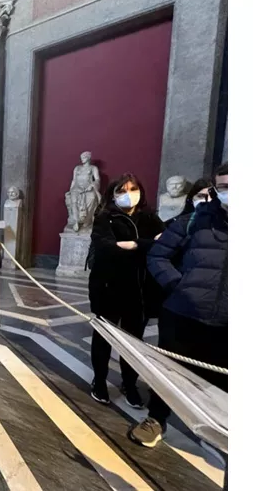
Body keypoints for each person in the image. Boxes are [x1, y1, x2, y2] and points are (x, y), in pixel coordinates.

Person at [129, 163, 228, 448]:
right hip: (182, 313)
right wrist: (177, 286)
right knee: (169, 371)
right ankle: (156, 419)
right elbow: (157, 256)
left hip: (228, 321)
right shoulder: (195, 220)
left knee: (223, 380)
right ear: (215, 189)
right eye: (224, 187)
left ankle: (218, 426)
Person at [88, 173, 165, 408]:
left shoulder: (149, 217)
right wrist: (145, 244)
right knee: (103, 337)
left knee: (133, 341)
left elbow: (165, 241)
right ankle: (99, 381)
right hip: (107, 287)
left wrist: (133, 244)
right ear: (112, 195)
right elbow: (105, 247)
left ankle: (129, 383)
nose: (127, 195)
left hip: (139, 289)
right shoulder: (105, 217)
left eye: (132, 189)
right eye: (121, 191)